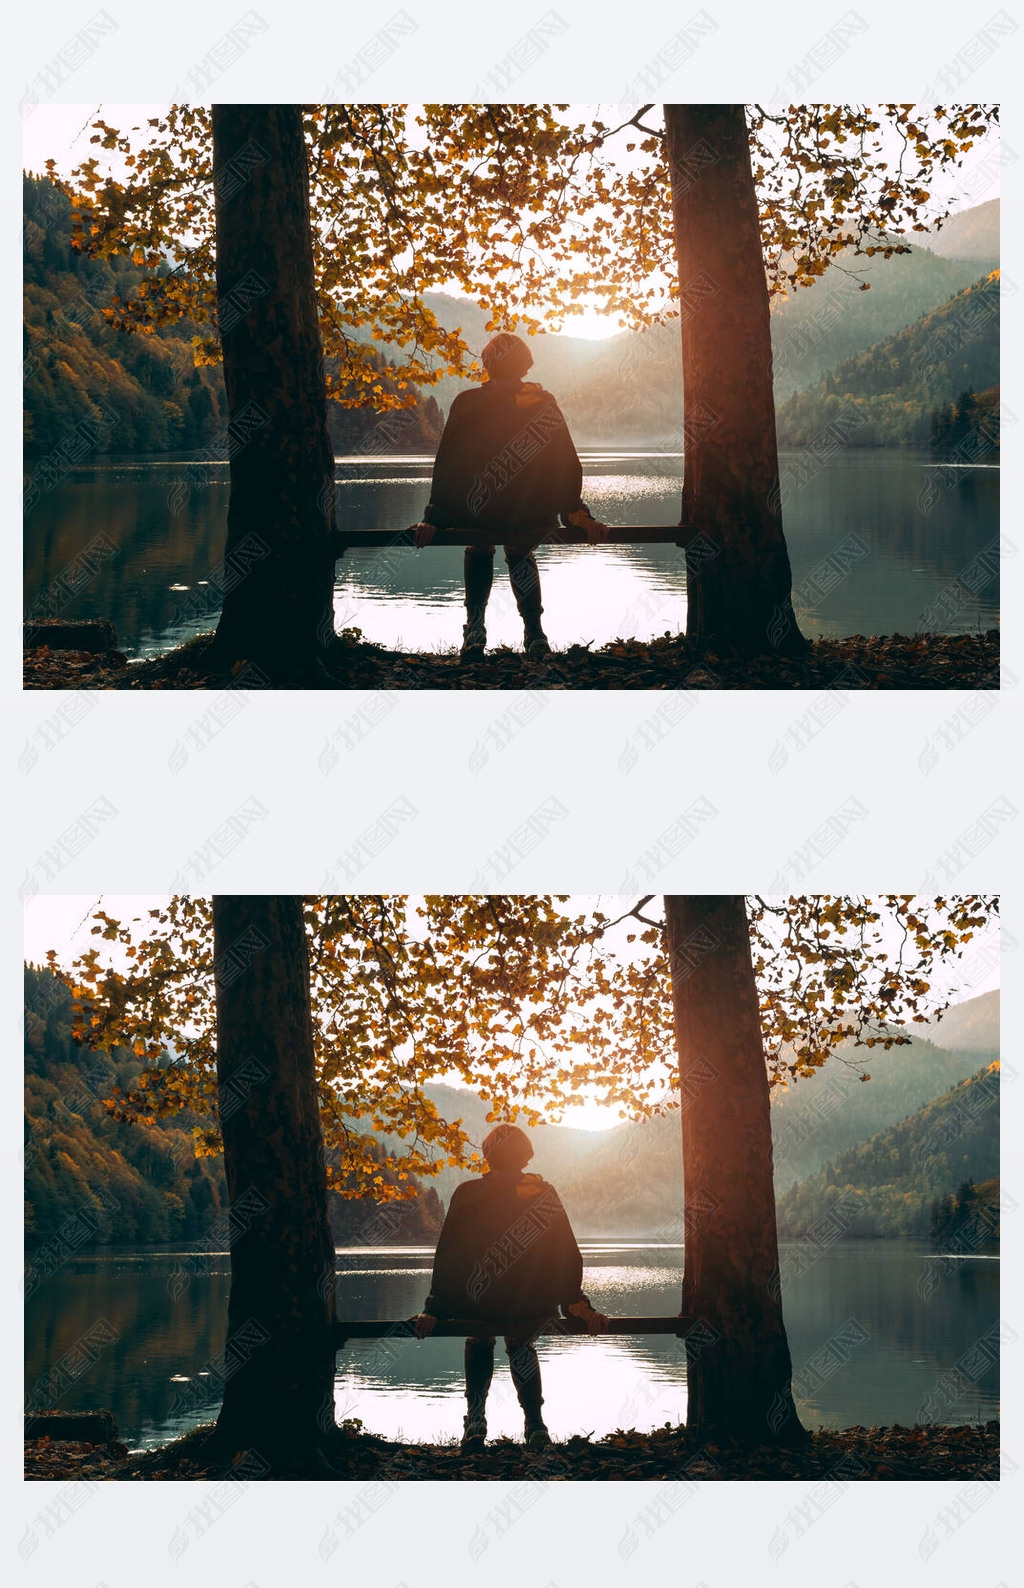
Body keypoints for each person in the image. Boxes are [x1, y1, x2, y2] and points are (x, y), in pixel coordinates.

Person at [412, 332, 608, 661]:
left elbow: (449, 466)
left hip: (479, 509)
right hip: (529, 511)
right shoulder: (542, 402)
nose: (488, 363)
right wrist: (576, 513)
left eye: (489, 359)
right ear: (525, 365)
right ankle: (534, 633)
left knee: (479, 547)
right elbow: (565, 462)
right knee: (519, 553)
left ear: (488, 365)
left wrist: (435, 517)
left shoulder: (468, 401)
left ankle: (475, 629)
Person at [412, 1123, 608, 1453]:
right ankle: (535, 1425)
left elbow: (449, 1257)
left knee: (478, 1338)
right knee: (520, 1343)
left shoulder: (467, 1193)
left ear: (487, 1156)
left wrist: (434, 1308)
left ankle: (475, 1419)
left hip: (478, 1302)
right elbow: (564, 1252)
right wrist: (576, 1303)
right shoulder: (543, 1193)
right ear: (526, 1156)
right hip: (529, 1302)